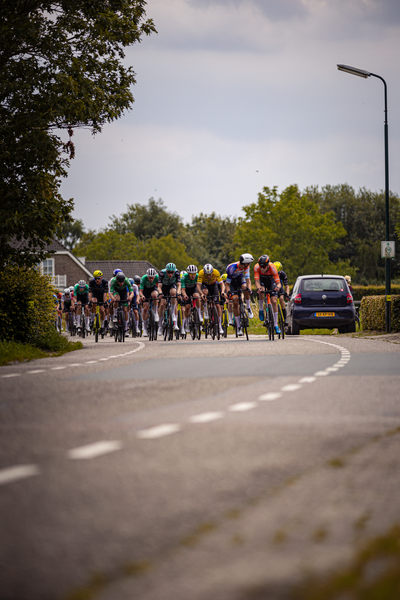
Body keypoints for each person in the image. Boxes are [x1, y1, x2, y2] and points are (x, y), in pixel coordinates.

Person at [225, 253, 254, 336]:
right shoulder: (232, 268)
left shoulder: (246, 267)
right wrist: (229, 293)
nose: (249, 265)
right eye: (248, 263)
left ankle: (248, 308)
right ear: (244, 262)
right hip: (232, 283)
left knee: (245, 287)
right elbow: (227, 285)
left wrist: (250, 290)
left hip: (240, 279)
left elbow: (248, 280)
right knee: (235, 301)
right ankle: (238, 327)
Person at [254, 255, 281, 334]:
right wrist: (258, 288)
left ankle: (276, 325)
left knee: (274, 301)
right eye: (261, 266)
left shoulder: (273, 268)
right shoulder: (256, 267)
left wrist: (277, 287)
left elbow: (278, 283)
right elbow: (257, 281)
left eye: (264, 266)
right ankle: (261, 309)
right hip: (262, 281)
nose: (262, 268)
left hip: (271, 281)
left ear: (268, 264)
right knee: (261, 290)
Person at [196, 263, 225, 335]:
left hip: (213, 286)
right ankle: (206, 309)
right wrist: (201, 294)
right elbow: (198, 286)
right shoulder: (200, 273)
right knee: (205, 293)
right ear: (204, 273)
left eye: (210, 275)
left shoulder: (216, 272)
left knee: (217, 306)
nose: (208, 276)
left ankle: (219, 325)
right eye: (207, 275)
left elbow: (222, 284)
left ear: (212, 272)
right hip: (204, 285)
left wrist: (223, 292)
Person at [157, 262, 181, 335]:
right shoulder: (162, 273)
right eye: (169, 272)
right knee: (162, 305)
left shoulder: (177, 273)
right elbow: (159, 287)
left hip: (171, 286)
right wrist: (160, 293)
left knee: (174, 293)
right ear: (166, 271)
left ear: (174, 271)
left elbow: (179, 285)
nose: (170, 274)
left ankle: (173, 313)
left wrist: (178, 293)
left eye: (172, 272)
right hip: (163, 287)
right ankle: (160, 326)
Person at [181, 265, 202, 334]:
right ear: (188, 273)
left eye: (194, 274)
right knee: (187, 308)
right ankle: (187, 323)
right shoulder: (184, 277)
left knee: (197, 296)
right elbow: (183, 289)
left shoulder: (198, 276)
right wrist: (184, 295)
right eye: (191, 274)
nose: (193, 276)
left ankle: (199, 314)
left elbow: (199, 287)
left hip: (194, 289)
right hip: (186, 291)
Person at [140, 268, 159, 337]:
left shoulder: (157, 277)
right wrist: (142, 296)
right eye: (149, 278)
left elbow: (160, 287)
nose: (151, 279)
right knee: (145, 308)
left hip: (153, 289)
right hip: (145, 291)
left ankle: (156, 312)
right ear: (147, 276)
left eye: (152, 278)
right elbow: (140, 291)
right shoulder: (143, 279)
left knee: (155, 296)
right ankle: (144, 328)